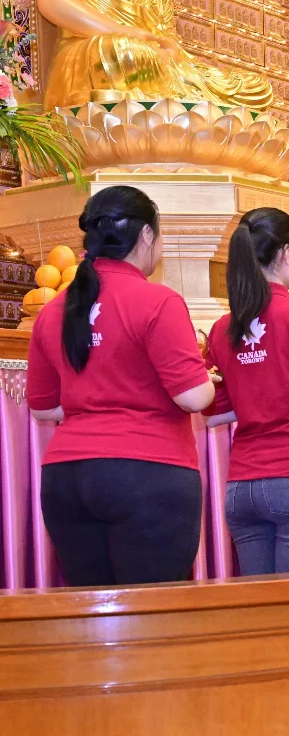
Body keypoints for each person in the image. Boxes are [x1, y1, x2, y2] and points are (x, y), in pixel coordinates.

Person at [26, 186, 215, 586]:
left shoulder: (53, 310)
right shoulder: (157, 301)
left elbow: (43, 406)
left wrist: (93, 397)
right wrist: (204, 380)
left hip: (67, 476)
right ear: (146, 235)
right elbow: (195, 396)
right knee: (153, 611)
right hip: (147, 471)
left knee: (91, 609)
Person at [203, 208, 289, 576]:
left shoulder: (223, 328)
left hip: (243, 486)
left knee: (263, 602)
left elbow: (214, 413)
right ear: (284, 253)